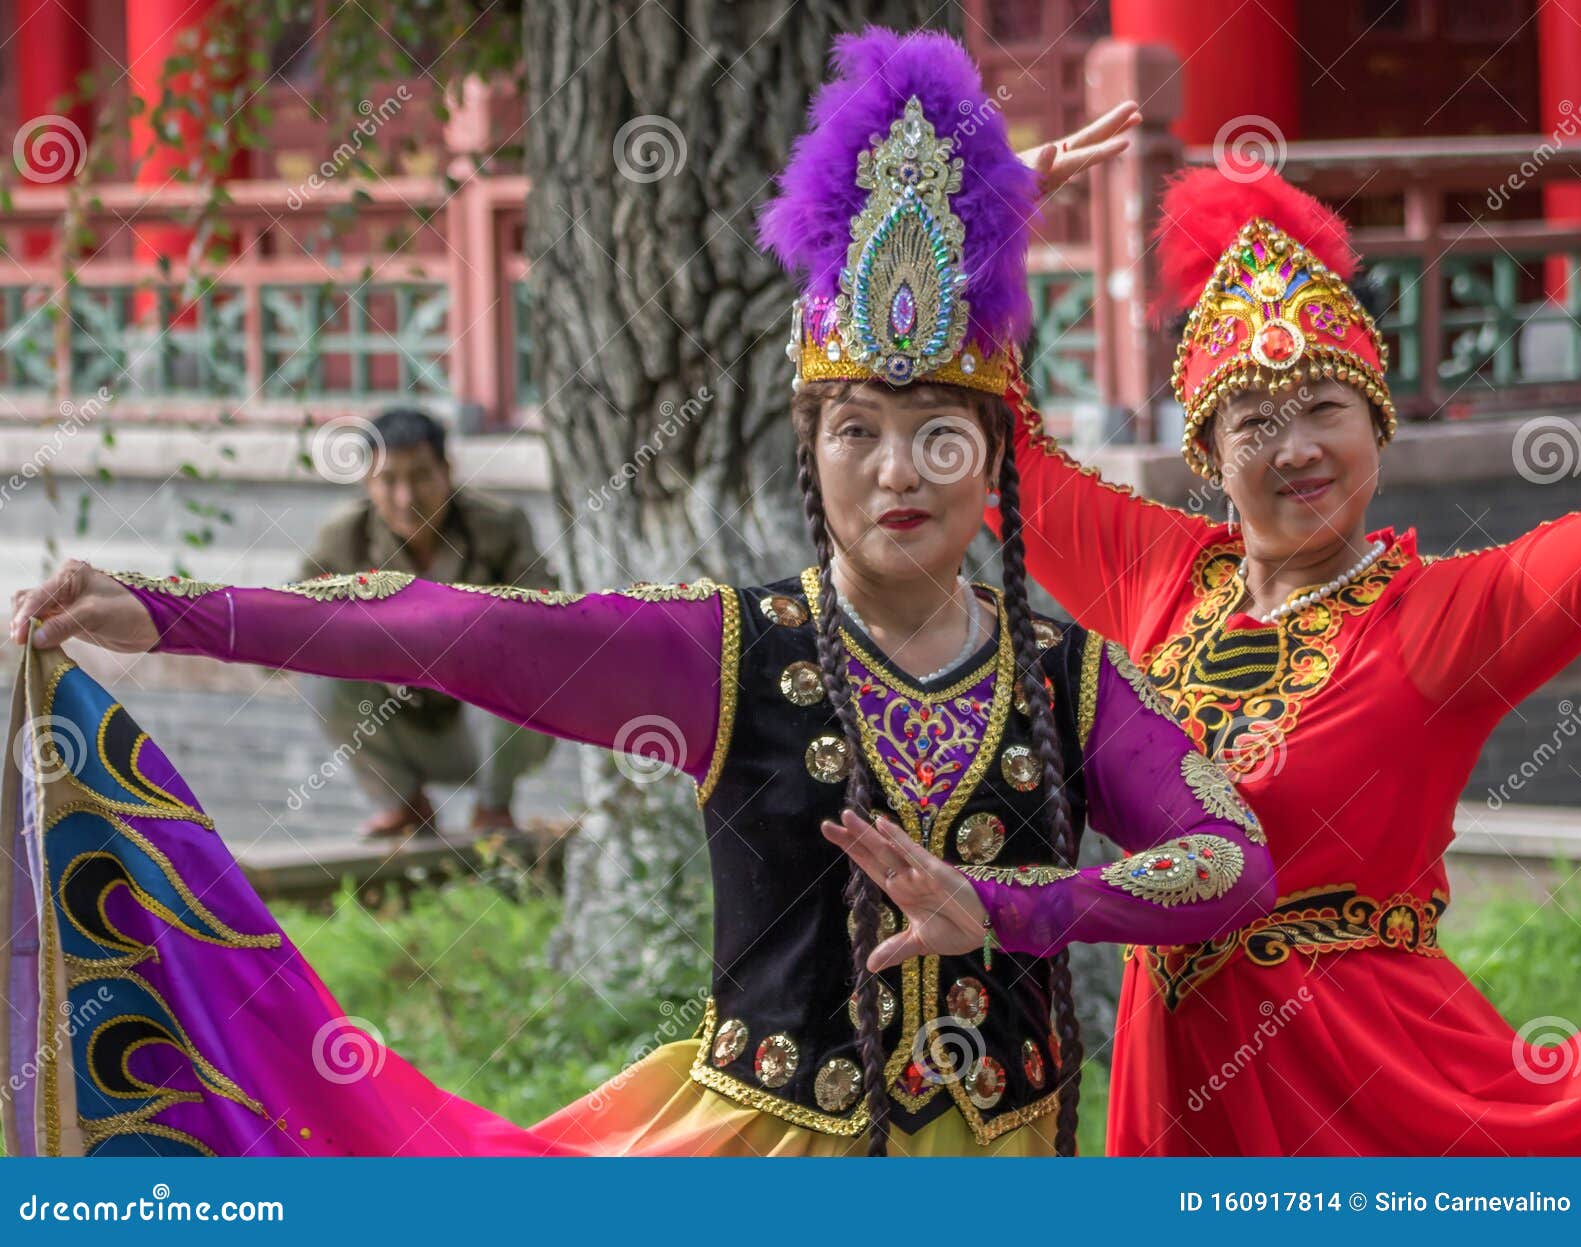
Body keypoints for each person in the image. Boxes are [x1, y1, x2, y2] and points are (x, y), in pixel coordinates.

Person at [3, 29, 1271, 1158]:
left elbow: (1230, 861)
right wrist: (171, 609)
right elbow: (455, 629)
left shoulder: (1066, 672)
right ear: (807, 451)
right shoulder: (727, 649)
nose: (898, 469)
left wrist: (1007, 906)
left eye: (939, 430)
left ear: (992, 455)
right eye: (855, 431)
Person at [849, 155, 1581, 1155]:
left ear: (1378, 425)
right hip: (1178, 1070)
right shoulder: (1161, 575)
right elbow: (997, 445)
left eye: (1326, 409)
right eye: (1255, 420)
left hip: (1368, 1077)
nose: (1296, 447)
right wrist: (974, 223)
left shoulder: (1445, 615)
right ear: (1208, 451)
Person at [298, 406, 557, 839]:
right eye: (389, 481)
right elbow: (294, 626)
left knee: (522, 666)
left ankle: (494, 808)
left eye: (421, 476)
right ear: (367, 483)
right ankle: (402, 803)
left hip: (493, 731)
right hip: (396, 725)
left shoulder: (499, 526)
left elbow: (546, 620)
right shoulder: (345, 538)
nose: (407, 498)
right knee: (318, 680)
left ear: (447, 471)